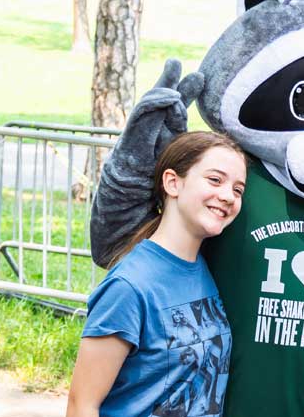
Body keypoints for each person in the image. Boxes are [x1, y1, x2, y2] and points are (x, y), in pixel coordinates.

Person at [67, 132, 248, 417]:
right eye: (215, 180)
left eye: (238, 190)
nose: (228, 196)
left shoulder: (202, 270)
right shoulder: (129, 285)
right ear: (173, 183)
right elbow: (82, 405)